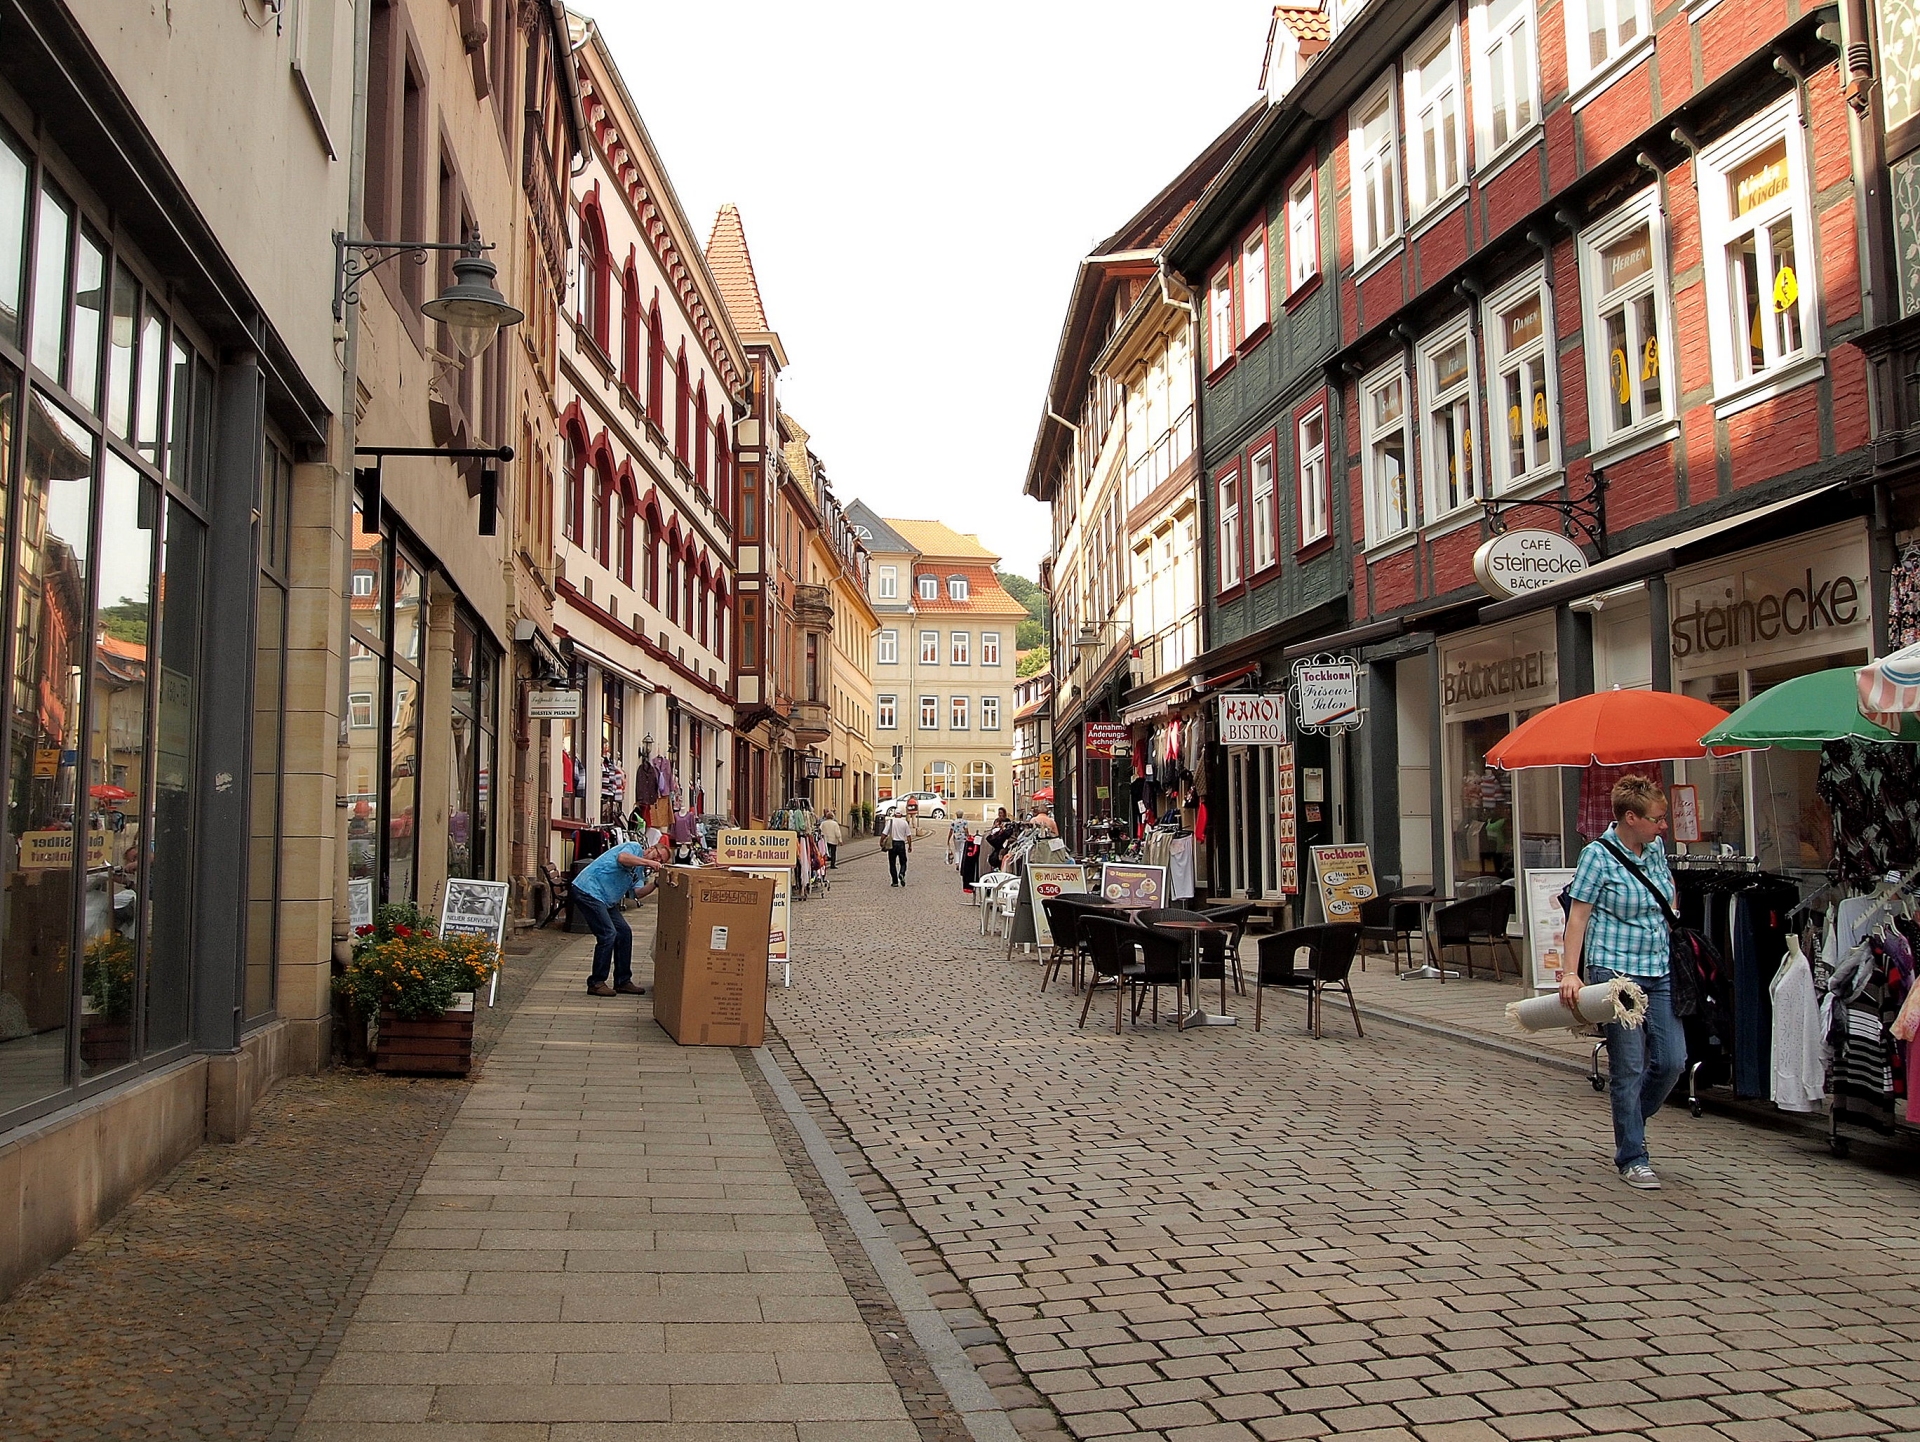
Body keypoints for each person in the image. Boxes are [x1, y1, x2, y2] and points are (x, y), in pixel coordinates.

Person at [1561, 775, 1684, 1190]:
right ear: (1630, 818)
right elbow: (1578, 917)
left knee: (1671, 1061)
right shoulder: (1597, 856)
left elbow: (1666, 897)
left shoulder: (1656, 850)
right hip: (1616, 973)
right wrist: (1570, 973)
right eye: (1657, 819)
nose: (1664, 826)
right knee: (1629, 1066)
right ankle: (1632, 1154)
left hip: (1660, 967)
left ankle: (1632, 1117)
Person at [571, 837, 664, 997]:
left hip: (605, 900)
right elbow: (622, 858)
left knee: (624, 932)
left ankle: (623, 981)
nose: (657, 860)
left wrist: (655, 884)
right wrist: (648, 862)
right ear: (650, 849)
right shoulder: (634, 848)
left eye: (661, 860)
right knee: (608, 934)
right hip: (589, 890)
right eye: (657, 856)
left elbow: (637, 893)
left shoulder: (639, 871)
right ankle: (596, 982)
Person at [884, 808, 913, 886]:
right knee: (903, 862)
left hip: (892, 844)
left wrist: (881, 842)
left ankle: (895, 882)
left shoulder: (890, 822)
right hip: (901, 844)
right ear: (901, 815)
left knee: (892, 863)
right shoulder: (904, 823)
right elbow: (909, 836)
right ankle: (902, 873)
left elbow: (884, 833)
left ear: (894, 814)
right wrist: (910, 846)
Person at [985, 807, 1015, 871]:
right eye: (999, 813)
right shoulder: (997, 820)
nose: (1000, 814)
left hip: (1003, 841)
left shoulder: (1007, 821)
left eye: (1001, 813)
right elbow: (993, 830)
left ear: (1004, 813)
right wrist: (994, 827)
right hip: (996, 840)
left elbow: (1008, 832)